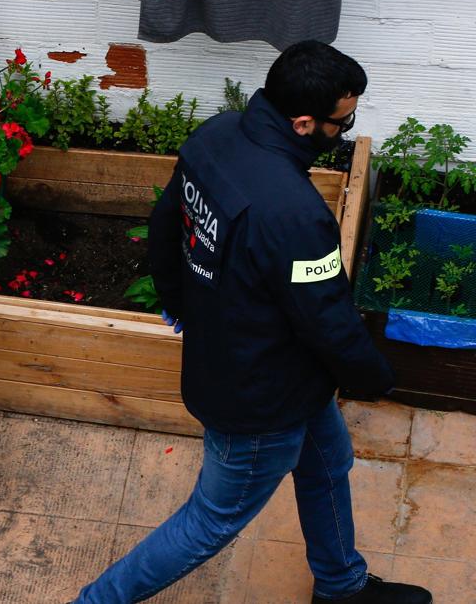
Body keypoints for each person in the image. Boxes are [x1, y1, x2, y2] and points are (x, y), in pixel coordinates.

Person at [75, 41, 431, 603]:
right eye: (344, 123)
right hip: (260, 396)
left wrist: (181, 302)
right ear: (304, 122)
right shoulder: (293, 212)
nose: (345, 132)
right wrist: (374, 378)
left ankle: (341, 585)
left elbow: (168, 222)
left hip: (274, 367)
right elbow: (328, 319)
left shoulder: (216, 136)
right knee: (210, 521)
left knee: (328, 462)